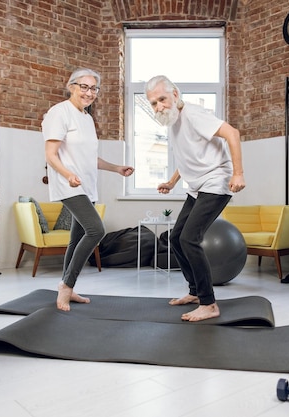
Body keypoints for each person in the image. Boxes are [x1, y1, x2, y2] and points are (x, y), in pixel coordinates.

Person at [144, 75, 246, 322]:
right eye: (154, 103)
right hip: (196, 185)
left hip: (216, 181)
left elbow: (232, 133)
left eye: (162, 99)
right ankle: (195, 293)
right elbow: (189, 156)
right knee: (177, 237)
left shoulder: (193, 114)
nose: (159, 107)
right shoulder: (174, 122)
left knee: (190, 238)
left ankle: (209, 304)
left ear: (175, 95)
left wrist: (238, 173)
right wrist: (171, 182)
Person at [42, 68, 134, 311]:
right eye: (84, 86)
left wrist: (116, 168)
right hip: (69, 185)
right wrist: (68, 174)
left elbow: (91, 158)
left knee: (75, 239)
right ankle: (66, 285)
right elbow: (51, 155)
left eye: (94, 88)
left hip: (87, 186)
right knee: (96, 230)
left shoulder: (87, 118)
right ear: (71, 86)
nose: (89, 92)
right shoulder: (59, 113)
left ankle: (68, 288)